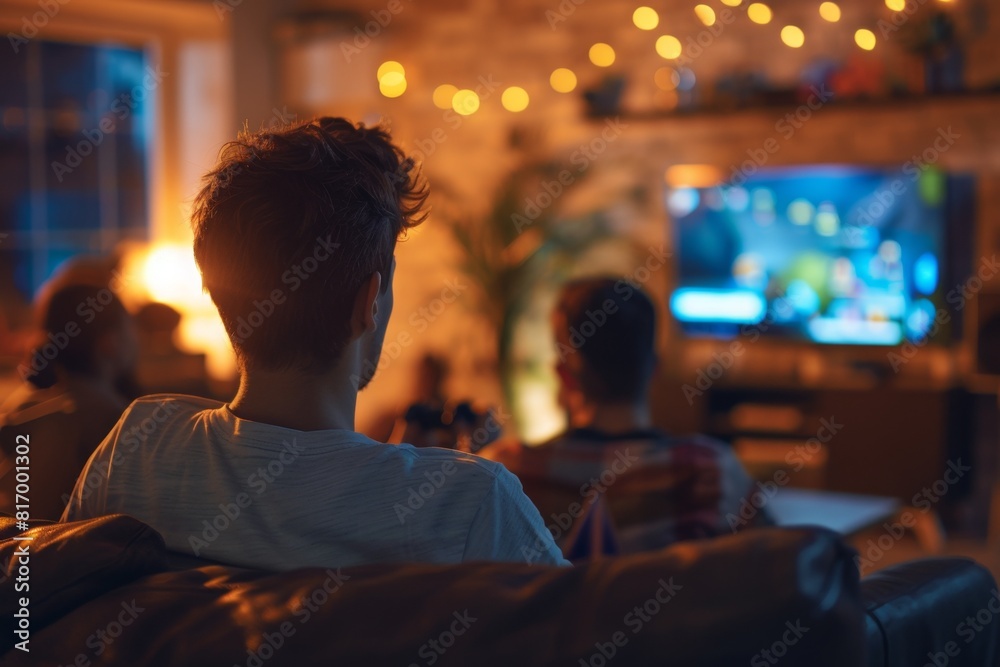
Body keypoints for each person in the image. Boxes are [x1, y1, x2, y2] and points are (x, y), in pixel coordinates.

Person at [61, 118, 566, 570]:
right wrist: (414, 475)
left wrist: (395, 464)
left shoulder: (136, 447)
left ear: (215, 291)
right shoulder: (472, 503)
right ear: (368, 301)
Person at [485, 277, 770, 552]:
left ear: (564, 375)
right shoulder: (710, 470)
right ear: (655, 369)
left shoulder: (506, 473)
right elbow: (779, 569)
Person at [0, 283, 138, 519]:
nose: (137, 338)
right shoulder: (116, 421)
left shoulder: (22, 408)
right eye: (130, 327)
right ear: (109, 341)